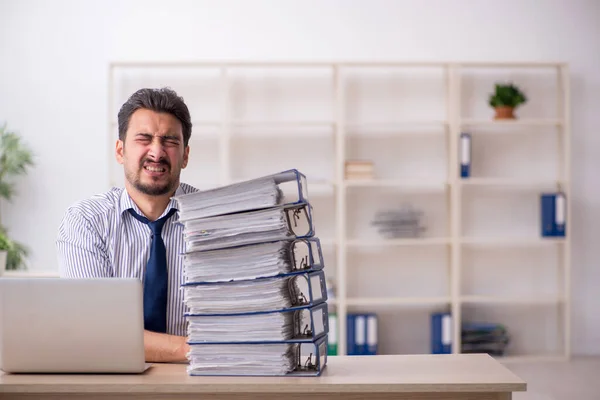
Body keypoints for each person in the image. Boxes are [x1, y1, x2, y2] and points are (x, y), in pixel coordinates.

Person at [56, 87, 198, 363]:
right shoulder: (86, 221)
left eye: (169, 141)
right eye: (144, 139)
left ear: (186, 155)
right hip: (113, 380)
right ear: (120, 151)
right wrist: (190, 349)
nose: (156, 152)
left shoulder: (217, 219)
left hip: (198, 380)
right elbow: (96, 330)